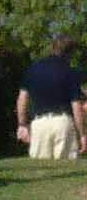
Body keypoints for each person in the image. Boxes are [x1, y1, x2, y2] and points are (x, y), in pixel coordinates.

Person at [19, 32, 84, 160]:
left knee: (40, 170)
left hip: (39, 124)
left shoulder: (33, 69)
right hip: (63, 122)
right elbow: (76, 106)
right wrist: (82, 134)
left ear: (52, 47)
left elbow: (22, 98)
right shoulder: (70, 72)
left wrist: (22, 124)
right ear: (70, 52)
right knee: (66, 169)